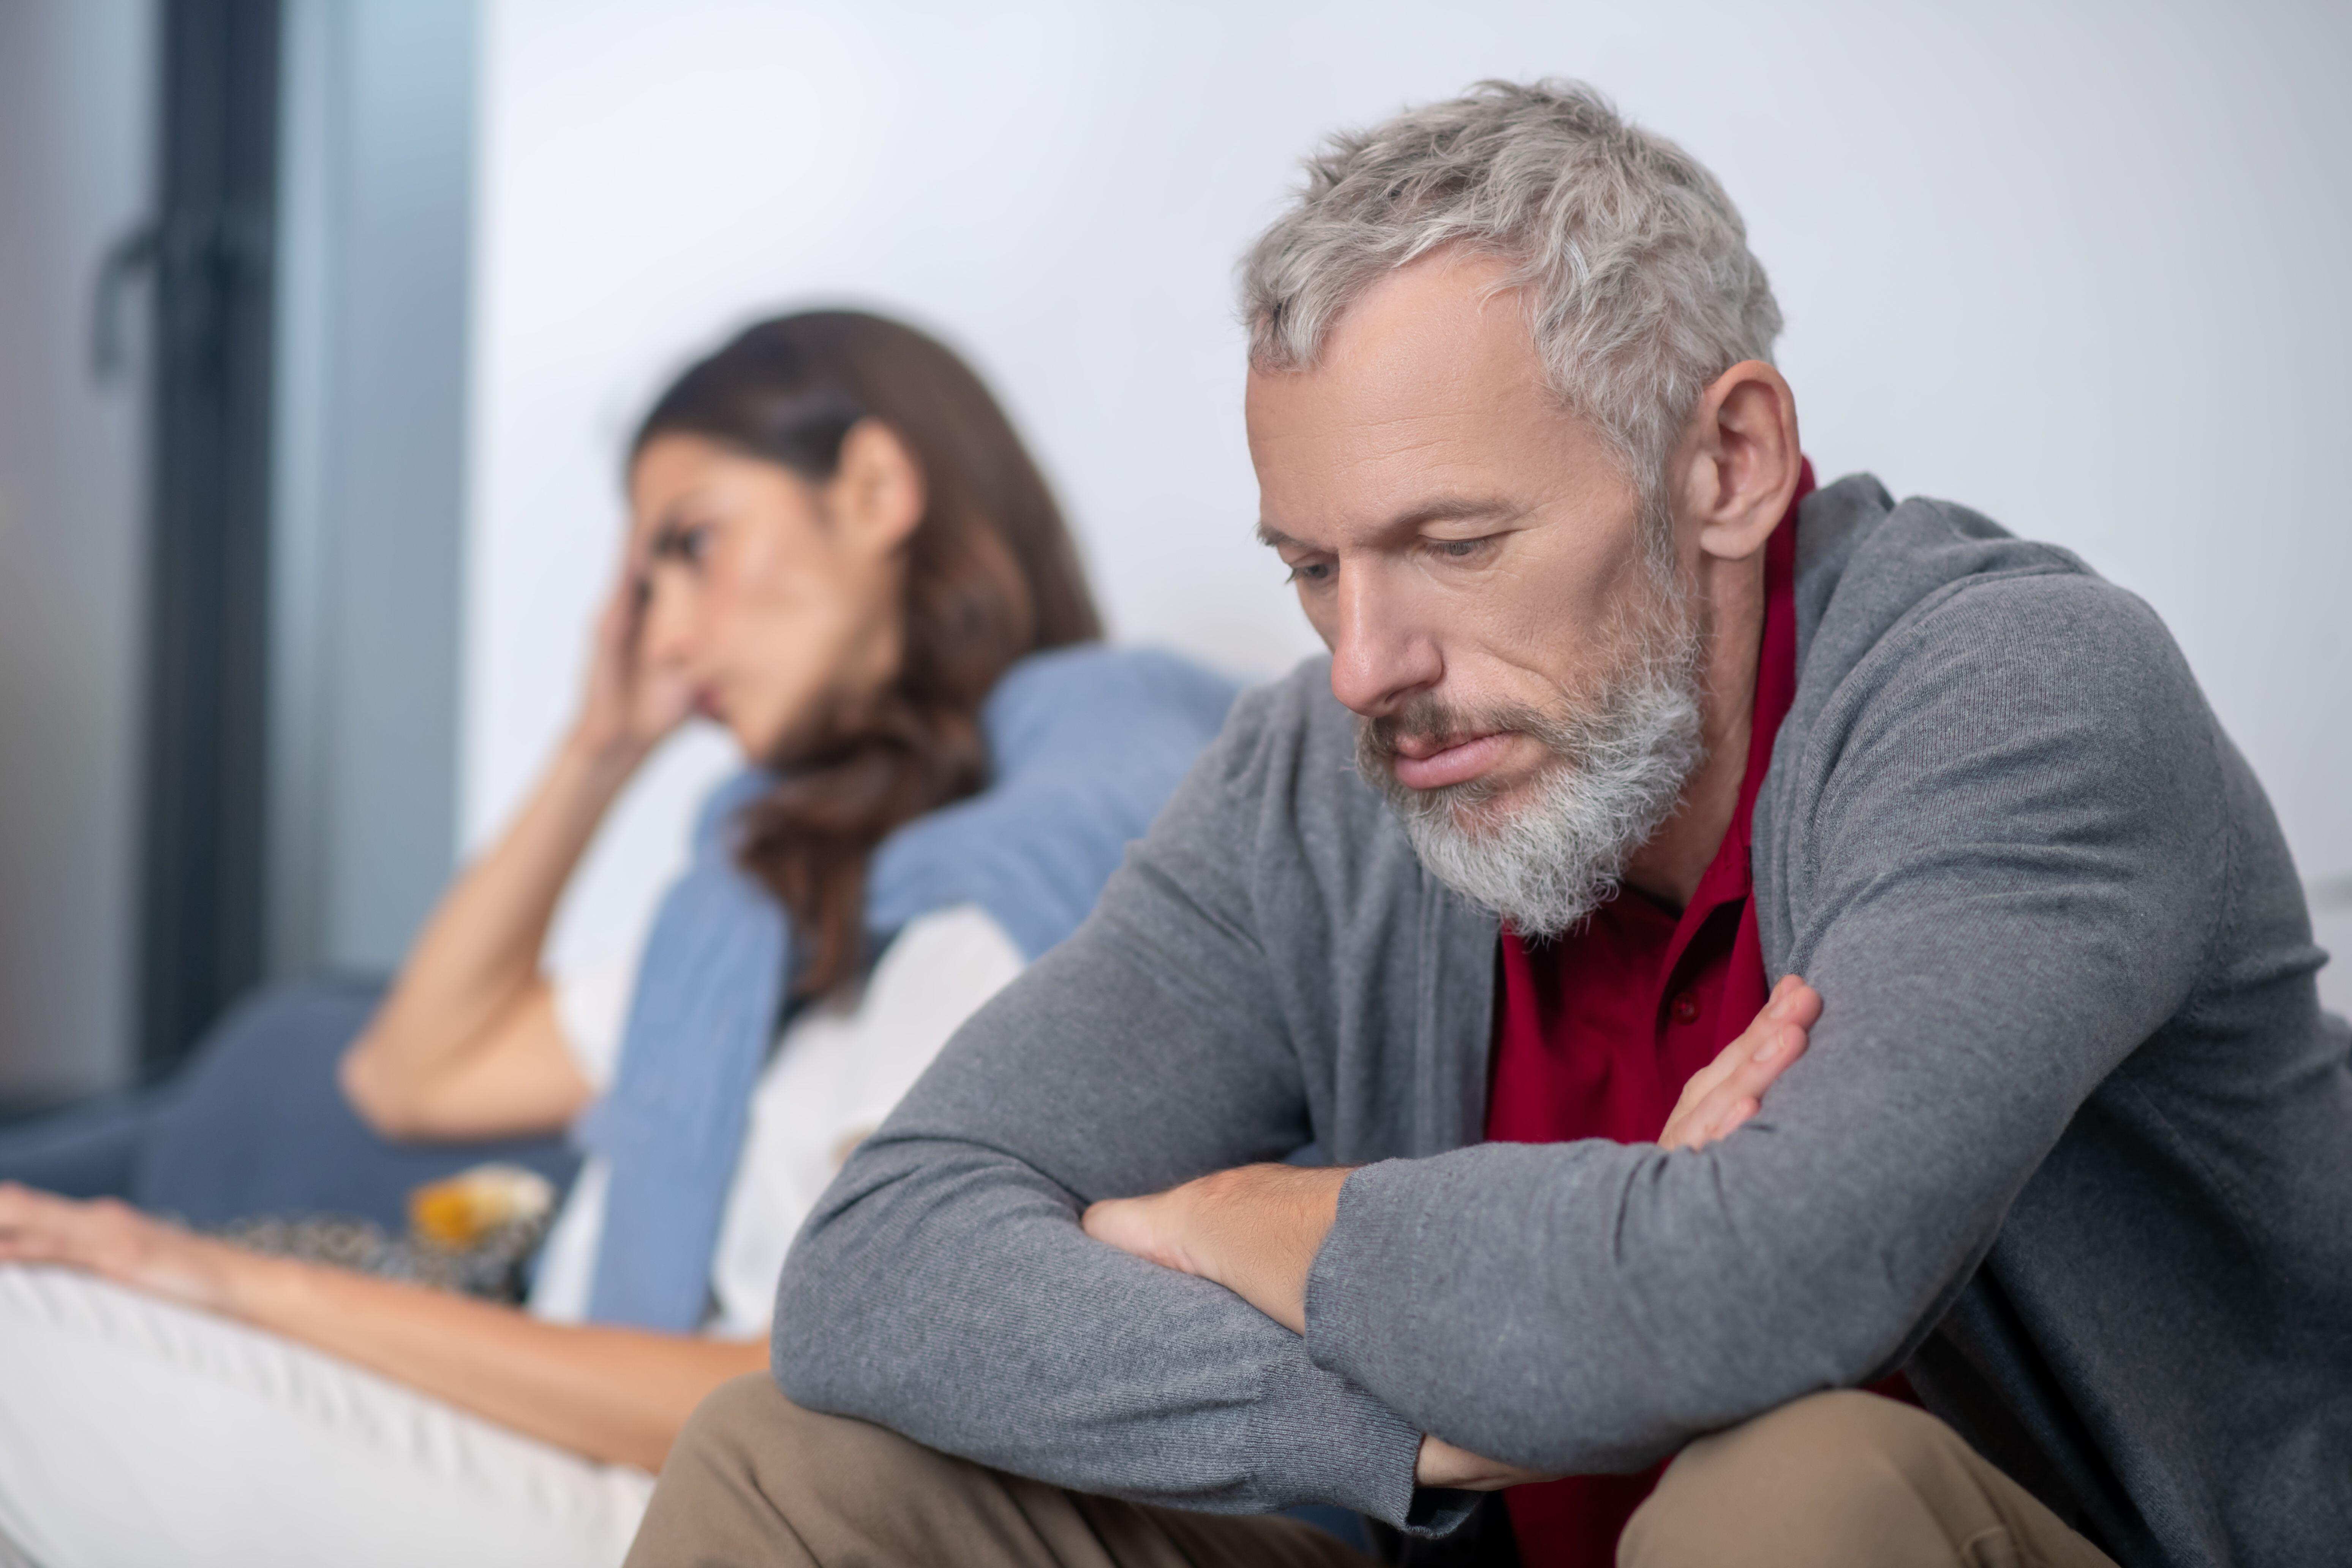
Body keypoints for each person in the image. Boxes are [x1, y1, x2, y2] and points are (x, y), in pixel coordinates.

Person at [625, 83, 2352, 1568]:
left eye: (1456, 544)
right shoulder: (1322, 776)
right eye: (1312, 568)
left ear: (1730, 463)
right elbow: (875, 1263)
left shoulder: (2016, 698)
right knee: (788, 1462)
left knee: (1790, 1486)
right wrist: (1424, 1429)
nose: (1369, 666)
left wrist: (1257, 1222)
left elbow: (1763, 1299)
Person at [0, 309, 1238, 1568]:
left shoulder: (1016, 898)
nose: (670, 634)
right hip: (565, 1474)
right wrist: (604, 740)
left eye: (692, 546)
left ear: (874, 488)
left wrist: (233, 1284)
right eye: (647, 589)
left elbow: (846, 1396)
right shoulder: (759, 932)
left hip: (703, 1509)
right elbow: (413, 1073)